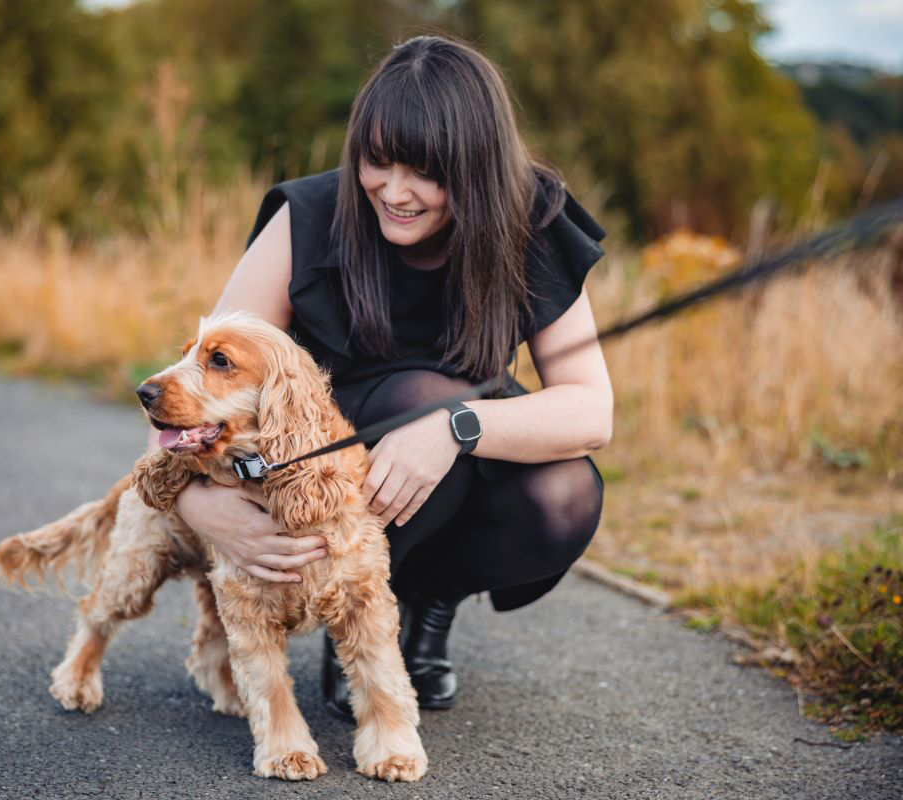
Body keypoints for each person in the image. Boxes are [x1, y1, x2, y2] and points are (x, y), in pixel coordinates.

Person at [165, 34, 613, 720]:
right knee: (417, 397)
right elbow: (189, 400)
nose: (394, 192)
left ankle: (423, 606)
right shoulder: (307, 220)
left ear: (478, 167)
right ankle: (350, 615)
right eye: (378, 161)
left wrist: (458, 427)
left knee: (564, 494)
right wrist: (200, 508)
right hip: (321, 475)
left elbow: (590, 411)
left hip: (450, 450)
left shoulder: (532, 220)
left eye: (426, 173)